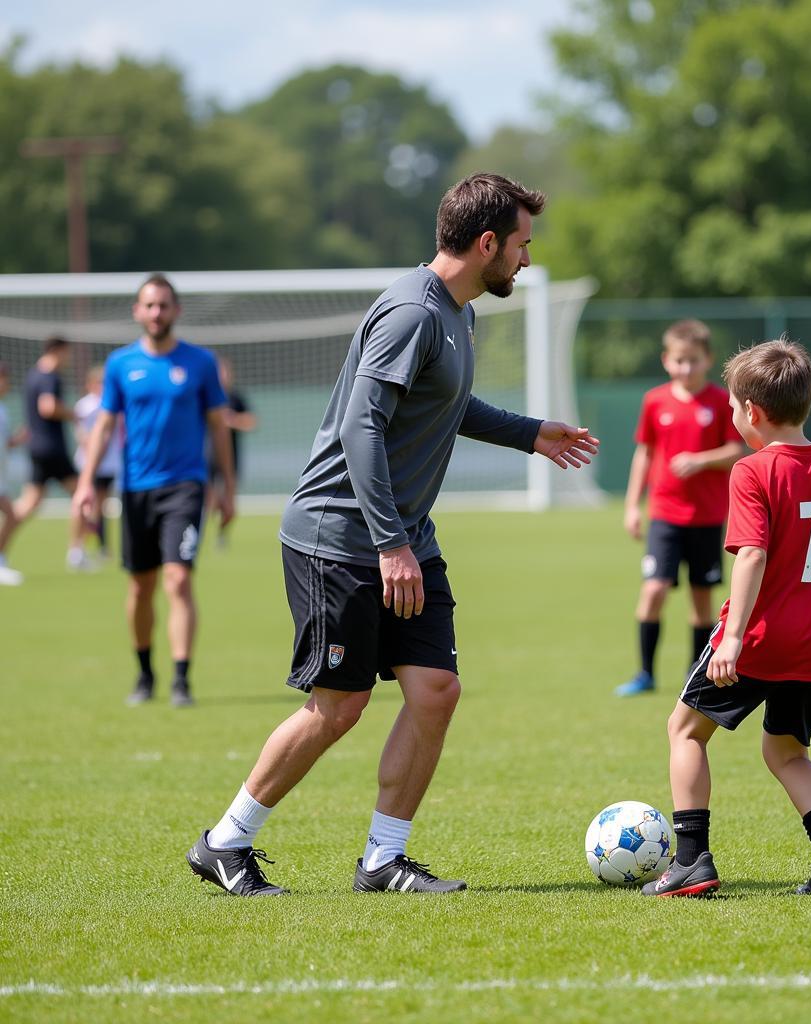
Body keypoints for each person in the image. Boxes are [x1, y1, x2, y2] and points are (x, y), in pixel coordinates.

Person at [185, 173, 600, 898]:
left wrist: (532, 434)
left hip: (404, 537)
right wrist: (389, 544)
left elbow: (449, 404)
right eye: (523, 245)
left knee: (435, 690)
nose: (527, 261)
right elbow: (360, 426)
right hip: (340, 538)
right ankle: (225, 842)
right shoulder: (412, 312)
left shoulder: (456, 314)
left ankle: (383, 859)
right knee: (338, 706)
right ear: (487, 243)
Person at [641, 339, 811, 899]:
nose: (733, 417)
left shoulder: (752, 471)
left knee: (685, 730)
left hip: (762, 639)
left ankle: (692, 860)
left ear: (754, 413)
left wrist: (734, 637)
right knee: (786, 751)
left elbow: (752, 554)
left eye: (735, 409)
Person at [73, 274, 235, 708]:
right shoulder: (120, 365)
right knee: (140, 588)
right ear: (137, 312)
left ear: (176, 311)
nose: (157, 312)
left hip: (185, 486)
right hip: (136, 488)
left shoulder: (200, 363)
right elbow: (104, 426)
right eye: (149, 305)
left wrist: (229, 489)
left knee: (178, 579)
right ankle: (145, 674)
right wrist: (87, 482)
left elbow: (219, 429)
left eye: (164, 305)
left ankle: (182, 679)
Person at [616, 320, 744, 697]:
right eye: (679, 361)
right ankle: (644, 673)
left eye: (694, 360)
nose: (686, 368)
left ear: (708, 360)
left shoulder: (722, 401)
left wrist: (700, 460)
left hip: (706, 516)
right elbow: (644, 453)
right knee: (654, 589)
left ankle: (696, 671)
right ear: (666, 361)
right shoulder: (655, 401)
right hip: (665, 514)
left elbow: (737, 450)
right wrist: (632, 505)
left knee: (701, 596)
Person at [0, 337, 88, 578]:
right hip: (52, 449)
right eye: (67, 354)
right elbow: (47, 407)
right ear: (57, 351)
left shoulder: (31, 376)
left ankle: (1, 554)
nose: (68, 359)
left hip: (37, 448)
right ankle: (76, 553)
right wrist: (73, 414)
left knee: (28, 504)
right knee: (82, 494)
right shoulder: (50, 377)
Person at [71, 365, 123, 564]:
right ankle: (77, 547)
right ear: (90, 384)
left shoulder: (111, 404)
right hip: (88, 464)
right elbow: (81, 432)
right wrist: (91, 445)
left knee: (101, 507)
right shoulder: (85, 405)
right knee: (85, 505)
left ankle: (101, 545)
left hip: (109, 465)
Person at [205, 356, 256, 547]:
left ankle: (221, 534)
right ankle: (200, 531)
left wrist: (232, 421)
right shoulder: (205, 398)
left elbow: (251, 422)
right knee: (208, 497)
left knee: (228, 498)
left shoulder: (236, 398)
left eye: (225, 373)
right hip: (208, 455)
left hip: (231, 457)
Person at [0, 361, 28, 586]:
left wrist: (17, 440)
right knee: (11, 515)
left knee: (11, 516)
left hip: (1, 478)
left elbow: (5, 443)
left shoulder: (3, 409)